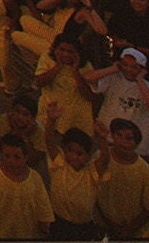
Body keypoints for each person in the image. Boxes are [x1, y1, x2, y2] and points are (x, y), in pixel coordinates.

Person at [95, 118, 149, 239]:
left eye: (129, 138)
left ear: (136, 143)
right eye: (119, 135)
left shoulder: (146, 174)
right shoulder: (101, 156)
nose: (123, 142)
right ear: (112, 136)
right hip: (101, 224)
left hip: (132, 232)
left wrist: (127, 230)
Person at [0, 133, 54, 239]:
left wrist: (43, 231)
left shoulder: (35, 178)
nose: (11, 161)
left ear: (25, 158)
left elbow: (43, 210)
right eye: (7, 156)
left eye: (17, 157)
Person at [86, 48, 149, 157]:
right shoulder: (112, 78)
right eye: (125, 65)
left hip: (134, 139)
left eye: (134, 67)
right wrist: (113, 69)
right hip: (109, 133)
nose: (128, 70)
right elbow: (88, 77)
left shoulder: (148, 87)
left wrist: (139, 80)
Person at [42, 101, 101, 241]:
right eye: (70, 150)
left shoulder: (91, 172)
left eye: (79, 153)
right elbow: (48, 140)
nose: (73, 156)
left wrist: (103, 139)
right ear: (63, 148)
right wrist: (51, 120)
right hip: (59, 222)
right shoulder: (59, 164)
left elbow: (104, 160)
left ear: (87, 156)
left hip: (83, 226)